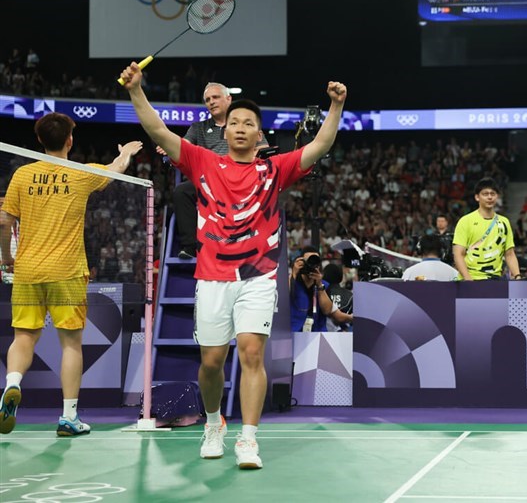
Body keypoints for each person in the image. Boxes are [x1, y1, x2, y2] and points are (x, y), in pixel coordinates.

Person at [120, 61, 346, 470]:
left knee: (252, 353)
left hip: (258, 276)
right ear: (224, 131)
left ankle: (249, 439)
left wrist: (336, 107)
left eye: (249, 123)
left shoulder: (274, 169)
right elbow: (157, 130)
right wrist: (136, 90)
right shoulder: (203, 161)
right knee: (211, 362)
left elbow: (320, 146)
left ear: (259, 134)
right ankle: (213, 423)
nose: (241, 127)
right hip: (212, 276)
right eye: (235, 122)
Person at [0, 112, 143, 436]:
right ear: (70, 140)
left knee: (24, 337)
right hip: (67, 271)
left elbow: (5, 222)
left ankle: (12, 384)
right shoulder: (79, 173)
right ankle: (68, 417)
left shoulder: (22, 175)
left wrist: (8, 259)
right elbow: (117, 170)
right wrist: (126, 153)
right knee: (71, 346)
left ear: (39, 140)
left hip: (27, 271)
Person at [166, 82, 232, 259]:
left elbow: (263, 149)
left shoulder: (244, 125)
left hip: (236, 182)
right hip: (206, 181)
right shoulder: (198, 128)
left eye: (215, 97)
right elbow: (184, 146)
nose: (211, 102)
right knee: (181, 191)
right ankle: (190, 246)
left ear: (228, 99)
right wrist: (171, 147)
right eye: (207, 99)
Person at [452, 177, 521, 281]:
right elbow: (458, 254)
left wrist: (517, 276)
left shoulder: (504, 222)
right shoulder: (465, 221)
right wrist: (468, 279)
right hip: (471, 280)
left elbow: (510, 254)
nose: (490, 197)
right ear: (477, 197)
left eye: (493, 194)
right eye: (485, 194)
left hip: (495, 280)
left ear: (497, 196)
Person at [290, 247, 352, 332]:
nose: (310, 264)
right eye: (308, 261)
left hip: (317, 335)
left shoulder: (324, 285)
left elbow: (328, 311)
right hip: (294, 333)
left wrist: (319, 285)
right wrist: (293, 273)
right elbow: (283, 299)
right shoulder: (292, 281)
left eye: (314, 261)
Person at [322, 263, 354, 332]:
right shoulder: (350, 295)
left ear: (324, 275)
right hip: (345, 335)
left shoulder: (320, 294)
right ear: (341, 276)